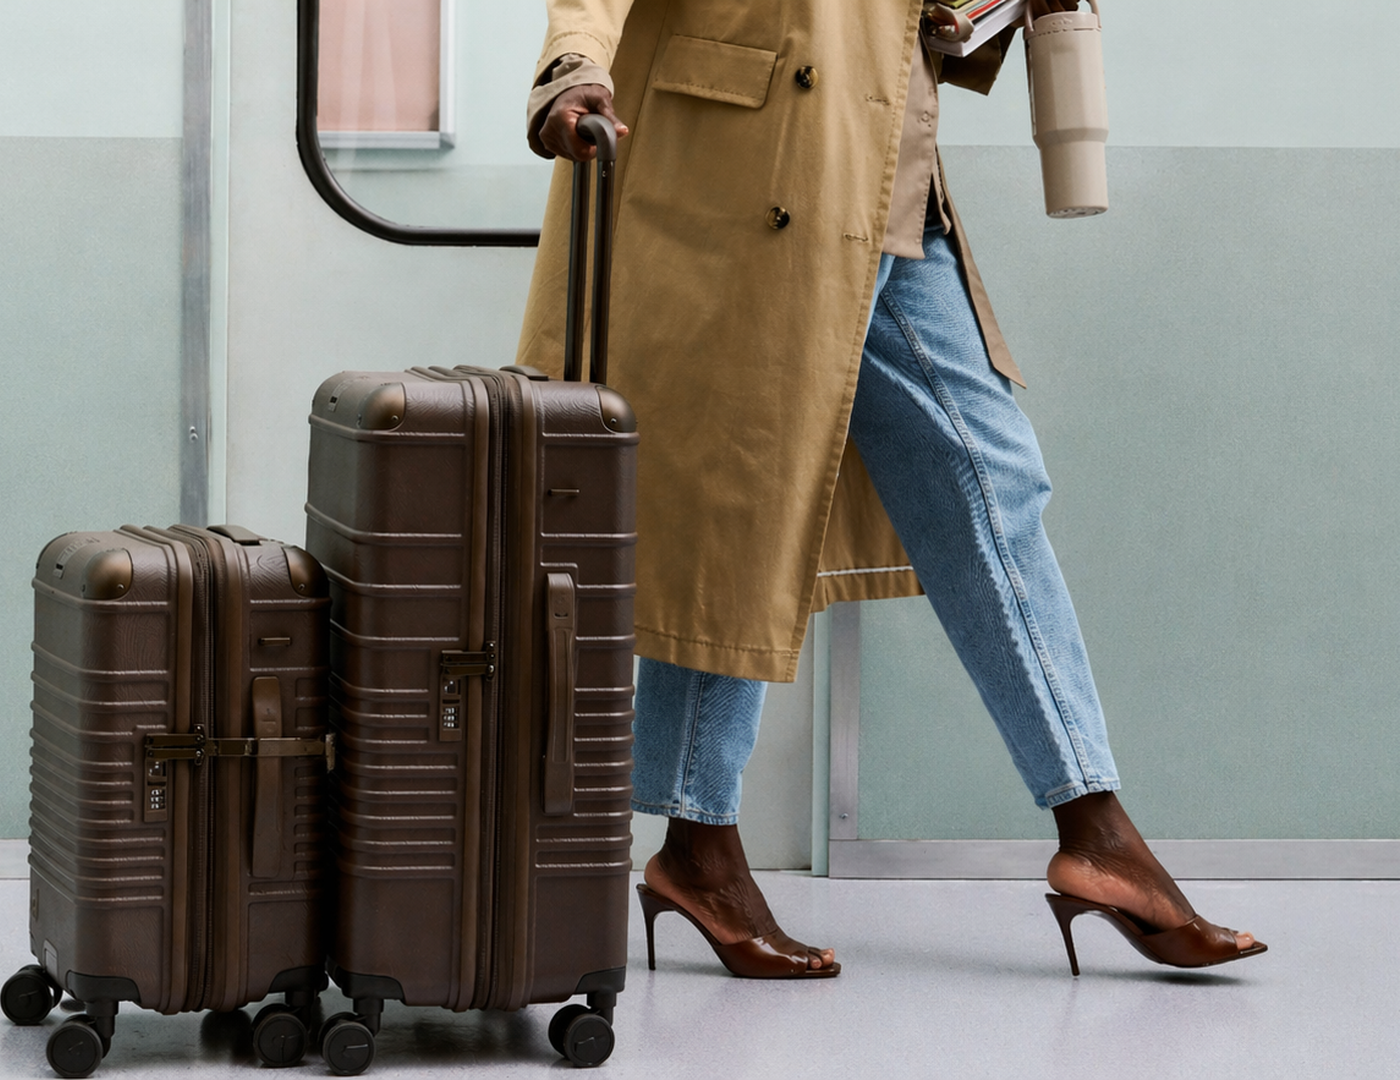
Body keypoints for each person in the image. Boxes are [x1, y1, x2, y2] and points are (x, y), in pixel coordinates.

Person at [513, 0, 1265, 978]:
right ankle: (705, 845)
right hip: (757, 169)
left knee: (986, 479)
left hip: (879, 175)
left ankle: (1093, 826)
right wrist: (574, 67)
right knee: (745, 503)